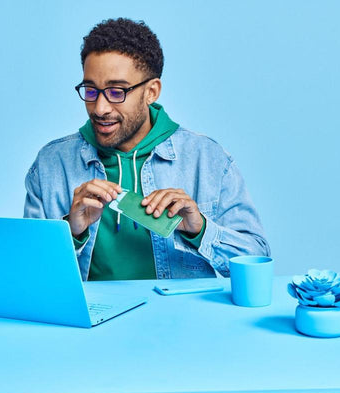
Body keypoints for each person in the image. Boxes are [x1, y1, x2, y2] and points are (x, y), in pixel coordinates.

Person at [24, 18, 270, 281]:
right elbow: (28, 275)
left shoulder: (207, 160)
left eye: (117, 92)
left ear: (152, 91)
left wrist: (200, 229)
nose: (100, 108)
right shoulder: (51, 164)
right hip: (92, 321)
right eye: (91, 90)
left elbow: (256, 259)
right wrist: (70, 234)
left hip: (180, 319)